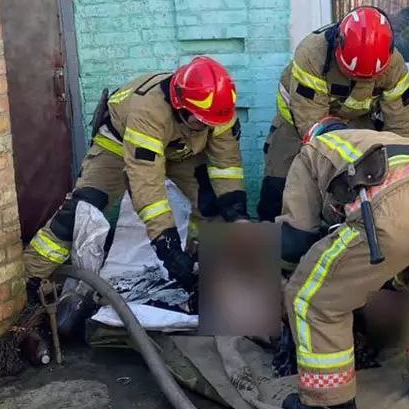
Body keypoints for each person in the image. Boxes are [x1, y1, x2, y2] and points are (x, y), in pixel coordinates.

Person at [278, 119, 409, 409]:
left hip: (394, 212)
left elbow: (297, 237)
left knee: (312, 298)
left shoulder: (314, 149)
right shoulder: (386, 140)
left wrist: (290, 274)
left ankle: (329, 399)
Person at [22, 57, 248, 306]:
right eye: (198, 121)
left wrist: (236, 210)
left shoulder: (217, 109)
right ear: (179, 105)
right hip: (119, 145)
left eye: (209, 124)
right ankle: (30, 277)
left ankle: (205, 275)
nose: (204, 127)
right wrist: (167, 245)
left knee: (211, 206)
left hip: (180, 150)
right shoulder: (148, 111)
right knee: (83, 209)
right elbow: (146, 183)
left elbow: (226, 165)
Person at [257, 7, 409, 222]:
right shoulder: (312, 54)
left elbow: (403, 124)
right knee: (281, 183)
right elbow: (312, 122)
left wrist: (399, 168)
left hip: (357, 120)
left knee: (364, 179)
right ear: (338, 45)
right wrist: (341, 167)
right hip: (297, 122)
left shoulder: (394, 65)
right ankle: (271, 232)